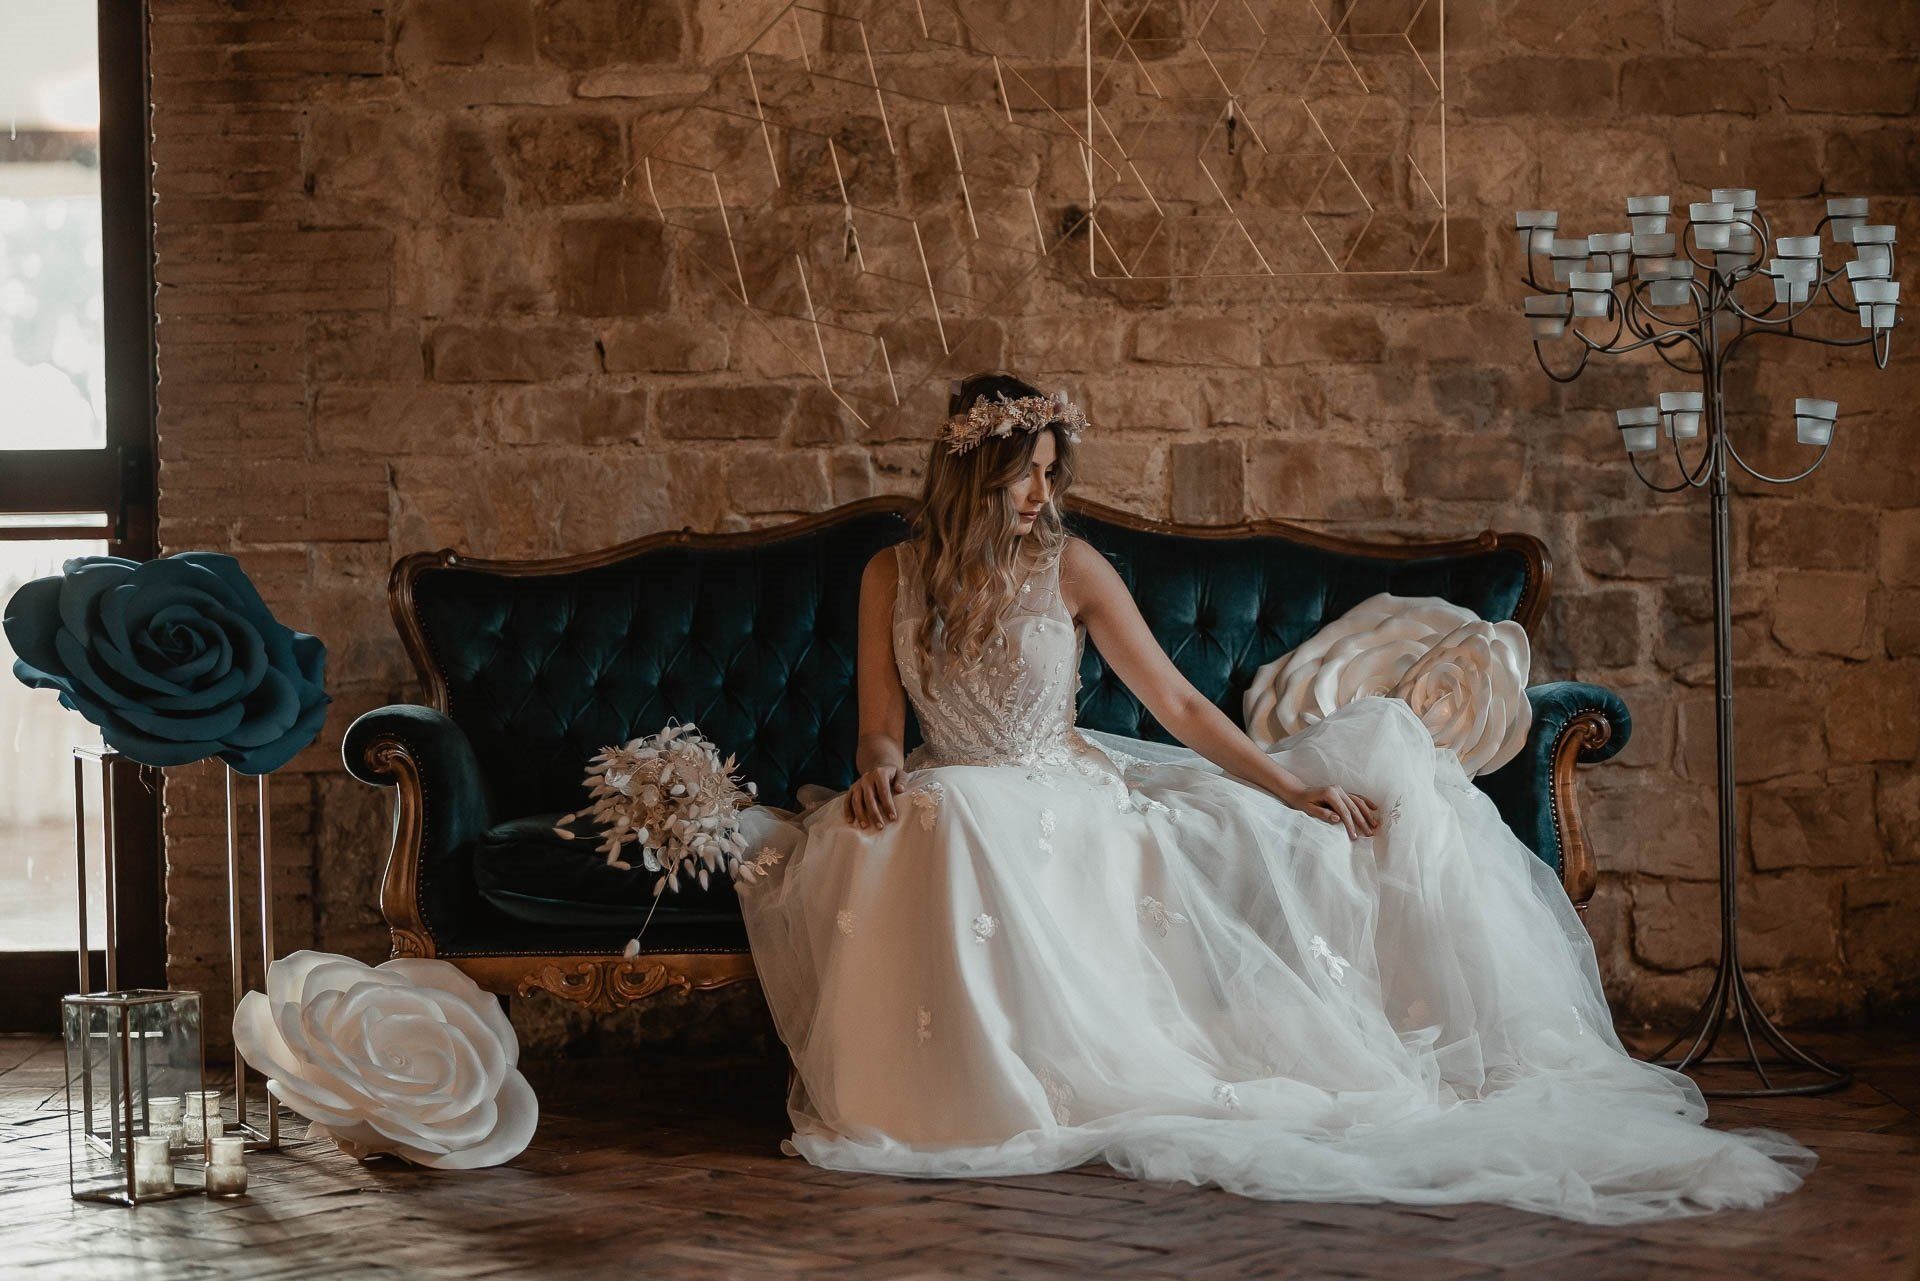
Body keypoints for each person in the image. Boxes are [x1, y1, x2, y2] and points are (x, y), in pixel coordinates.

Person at [734, 371, 1815, 1224]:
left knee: (962, 820)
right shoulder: (893, 574)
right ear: (978, 473)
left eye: (1052, 474)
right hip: (947, 782)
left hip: (1061, 792)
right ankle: (933, 1097)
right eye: (1028, 475)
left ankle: (1016, 1083)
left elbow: (1181, 707)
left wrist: (1292, 787)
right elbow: (882, 720)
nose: (1042, 494)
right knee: (925, 816)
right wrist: (879, 761)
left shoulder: (1070, 566)